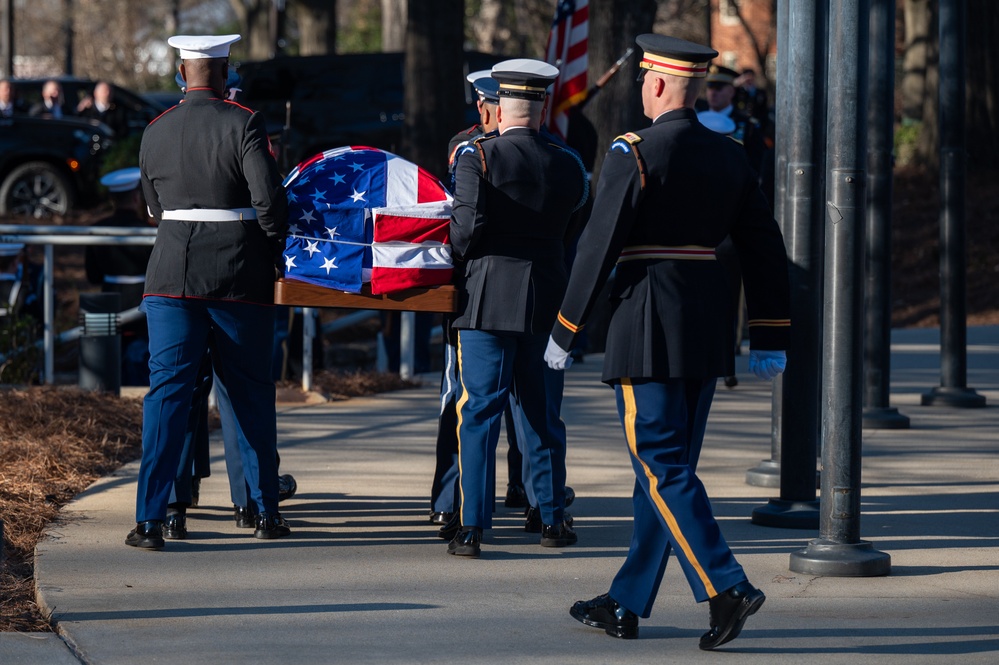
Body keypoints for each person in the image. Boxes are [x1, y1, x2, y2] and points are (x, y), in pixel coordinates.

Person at [545, 34, 790, 650]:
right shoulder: (730, 154)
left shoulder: (635, 152)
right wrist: (768, 330)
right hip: (706, 326)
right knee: (664, 470)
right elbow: (765, 249)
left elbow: (596, 247)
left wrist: (564, 329)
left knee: (659, 465)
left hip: (648, 322)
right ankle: (627, 602)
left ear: (655, 84)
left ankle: (726, 585)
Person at [126, 33, 290, 550]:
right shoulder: (243, 122)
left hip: (172, 276)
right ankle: (264, 510)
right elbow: (270, 203)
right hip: (238, 276)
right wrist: (270, 250)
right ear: (223, 73)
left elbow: (153, 207)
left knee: (168, 397)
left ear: (180, 72)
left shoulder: (154, 130)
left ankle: (151, 519)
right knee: (249, 396)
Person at [446, 58, 588, 558]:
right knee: (542, 414)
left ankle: (472, 527)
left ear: (498, 105)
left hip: (486, 297)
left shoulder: (476, 157)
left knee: (479, 412)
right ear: (543, 105)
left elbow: (464, 231)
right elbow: (574, 227)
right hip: (549, 298)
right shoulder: (569, 162)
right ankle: (552, 518)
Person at [431, 69, 531, 537]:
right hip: (478, 286)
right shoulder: (466, 146)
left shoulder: (508, 145)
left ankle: (525, 490)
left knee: (516, 404)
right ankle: (450, 498)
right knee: (466, 398)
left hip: (486, 288)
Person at [84, 167, 154, 385]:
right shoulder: (148, 231)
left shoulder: (97, 230)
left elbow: (93, 276)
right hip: (140, 305)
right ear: (136, 197)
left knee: (102, 376)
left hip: (107, 303)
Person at [699, 65, 765, 177]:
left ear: (731, 91)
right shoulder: (696, 118)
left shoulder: (747, 126)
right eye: (710, 87)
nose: (713, 93)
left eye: (719, 88)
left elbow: (755, 166)